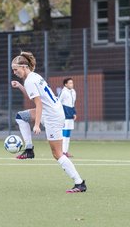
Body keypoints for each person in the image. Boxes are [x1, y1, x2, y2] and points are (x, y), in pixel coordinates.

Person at [11, 51, 87, 193]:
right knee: (20, 117)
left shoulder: (30, 80)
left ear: (24, 67)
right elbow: (33, 98)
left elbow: (38, 104)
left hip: (52, 116)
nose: (14, 72)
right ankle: (29, 150)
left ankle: (79, 183)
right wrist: (20, 87)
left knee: (57, 153)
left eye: (16, 69)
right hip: (52, 111)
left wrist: (37, 124)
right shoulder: (34, 77)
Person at [58, 78, 76, 158]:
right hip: (64, 116)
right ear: (65, 84)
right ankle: (62, 152)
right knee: (64, 134)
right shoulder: (63, 92)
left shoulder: (73, 92)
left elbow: (72, 104)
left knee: (68, 134)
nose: (72, 84)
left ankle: (65, 151)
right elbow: (58, 102)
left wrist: (74, 113)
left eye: (72, 83)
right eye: (70, 83)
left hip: (70, 116)